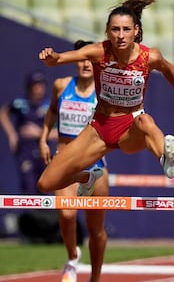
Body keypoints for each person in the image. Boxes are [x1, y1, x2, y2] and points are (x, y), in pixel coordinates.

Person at [37, 0, 174, 197]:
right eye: (115, 29)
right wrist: (52, 58)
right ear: (107, 31)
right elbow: (61, 58)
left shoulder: (149, 57)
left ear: (136, 31)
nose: (120, 35)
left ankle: (167, 158)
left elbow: (169, 69)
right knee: (45, 183)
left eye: (126, 29)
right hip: (99, 128)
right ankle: (87, 177)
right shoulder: (98, 51)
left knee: (145, 120)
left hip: (130, 127)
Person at [39, 40, 108, 282]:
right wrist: (43, 138)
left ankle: (96, 277)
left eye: (90, 59)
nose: (86, 64)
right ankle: (72, 256)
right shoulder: (61, 86)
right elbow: (51, 112)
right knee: (67, 215)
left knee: (96, 230)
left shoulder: (104, 92)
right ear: (75, 61)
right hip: (64, 159)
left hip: (94, 166)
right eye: (81, 59)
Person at [0, 71, 57, 194]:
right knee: (28, 186)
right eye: (35, 85)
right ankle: (30, 213)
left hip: (43, 152)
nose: (38, 89)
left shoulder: (49, 106)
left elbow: (59, 132)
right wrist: (12, 134)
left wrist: (38, 133)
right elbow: (3, 112)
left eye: (41, 85)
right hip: (25, 151)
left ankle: (44, 213)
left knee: (44, 186)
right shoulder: (20, 103)